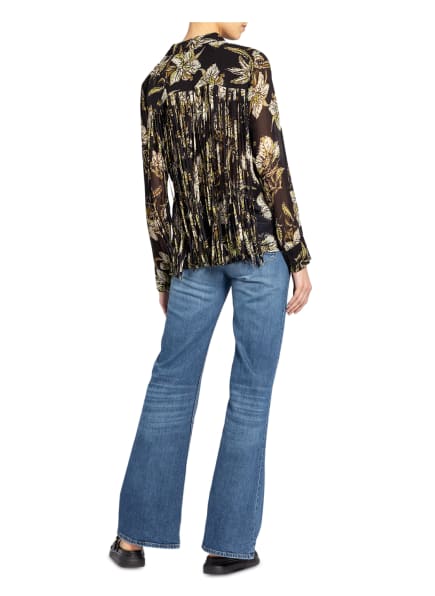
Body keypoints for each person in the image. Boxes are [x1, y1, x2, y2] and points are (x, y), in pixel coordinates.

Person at [109, 21, 312, 575]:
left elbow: (155, 188)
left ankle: (131, 539)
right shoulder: (249, 64)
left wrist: (163, 274)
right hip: (260, 250)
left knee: (170, 384)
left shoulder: (156, 81)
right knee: (250, 393)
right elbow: (270, 161)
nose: (247, 20)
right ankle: (227, 548)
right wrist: (297, 254)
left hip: (192, 253)